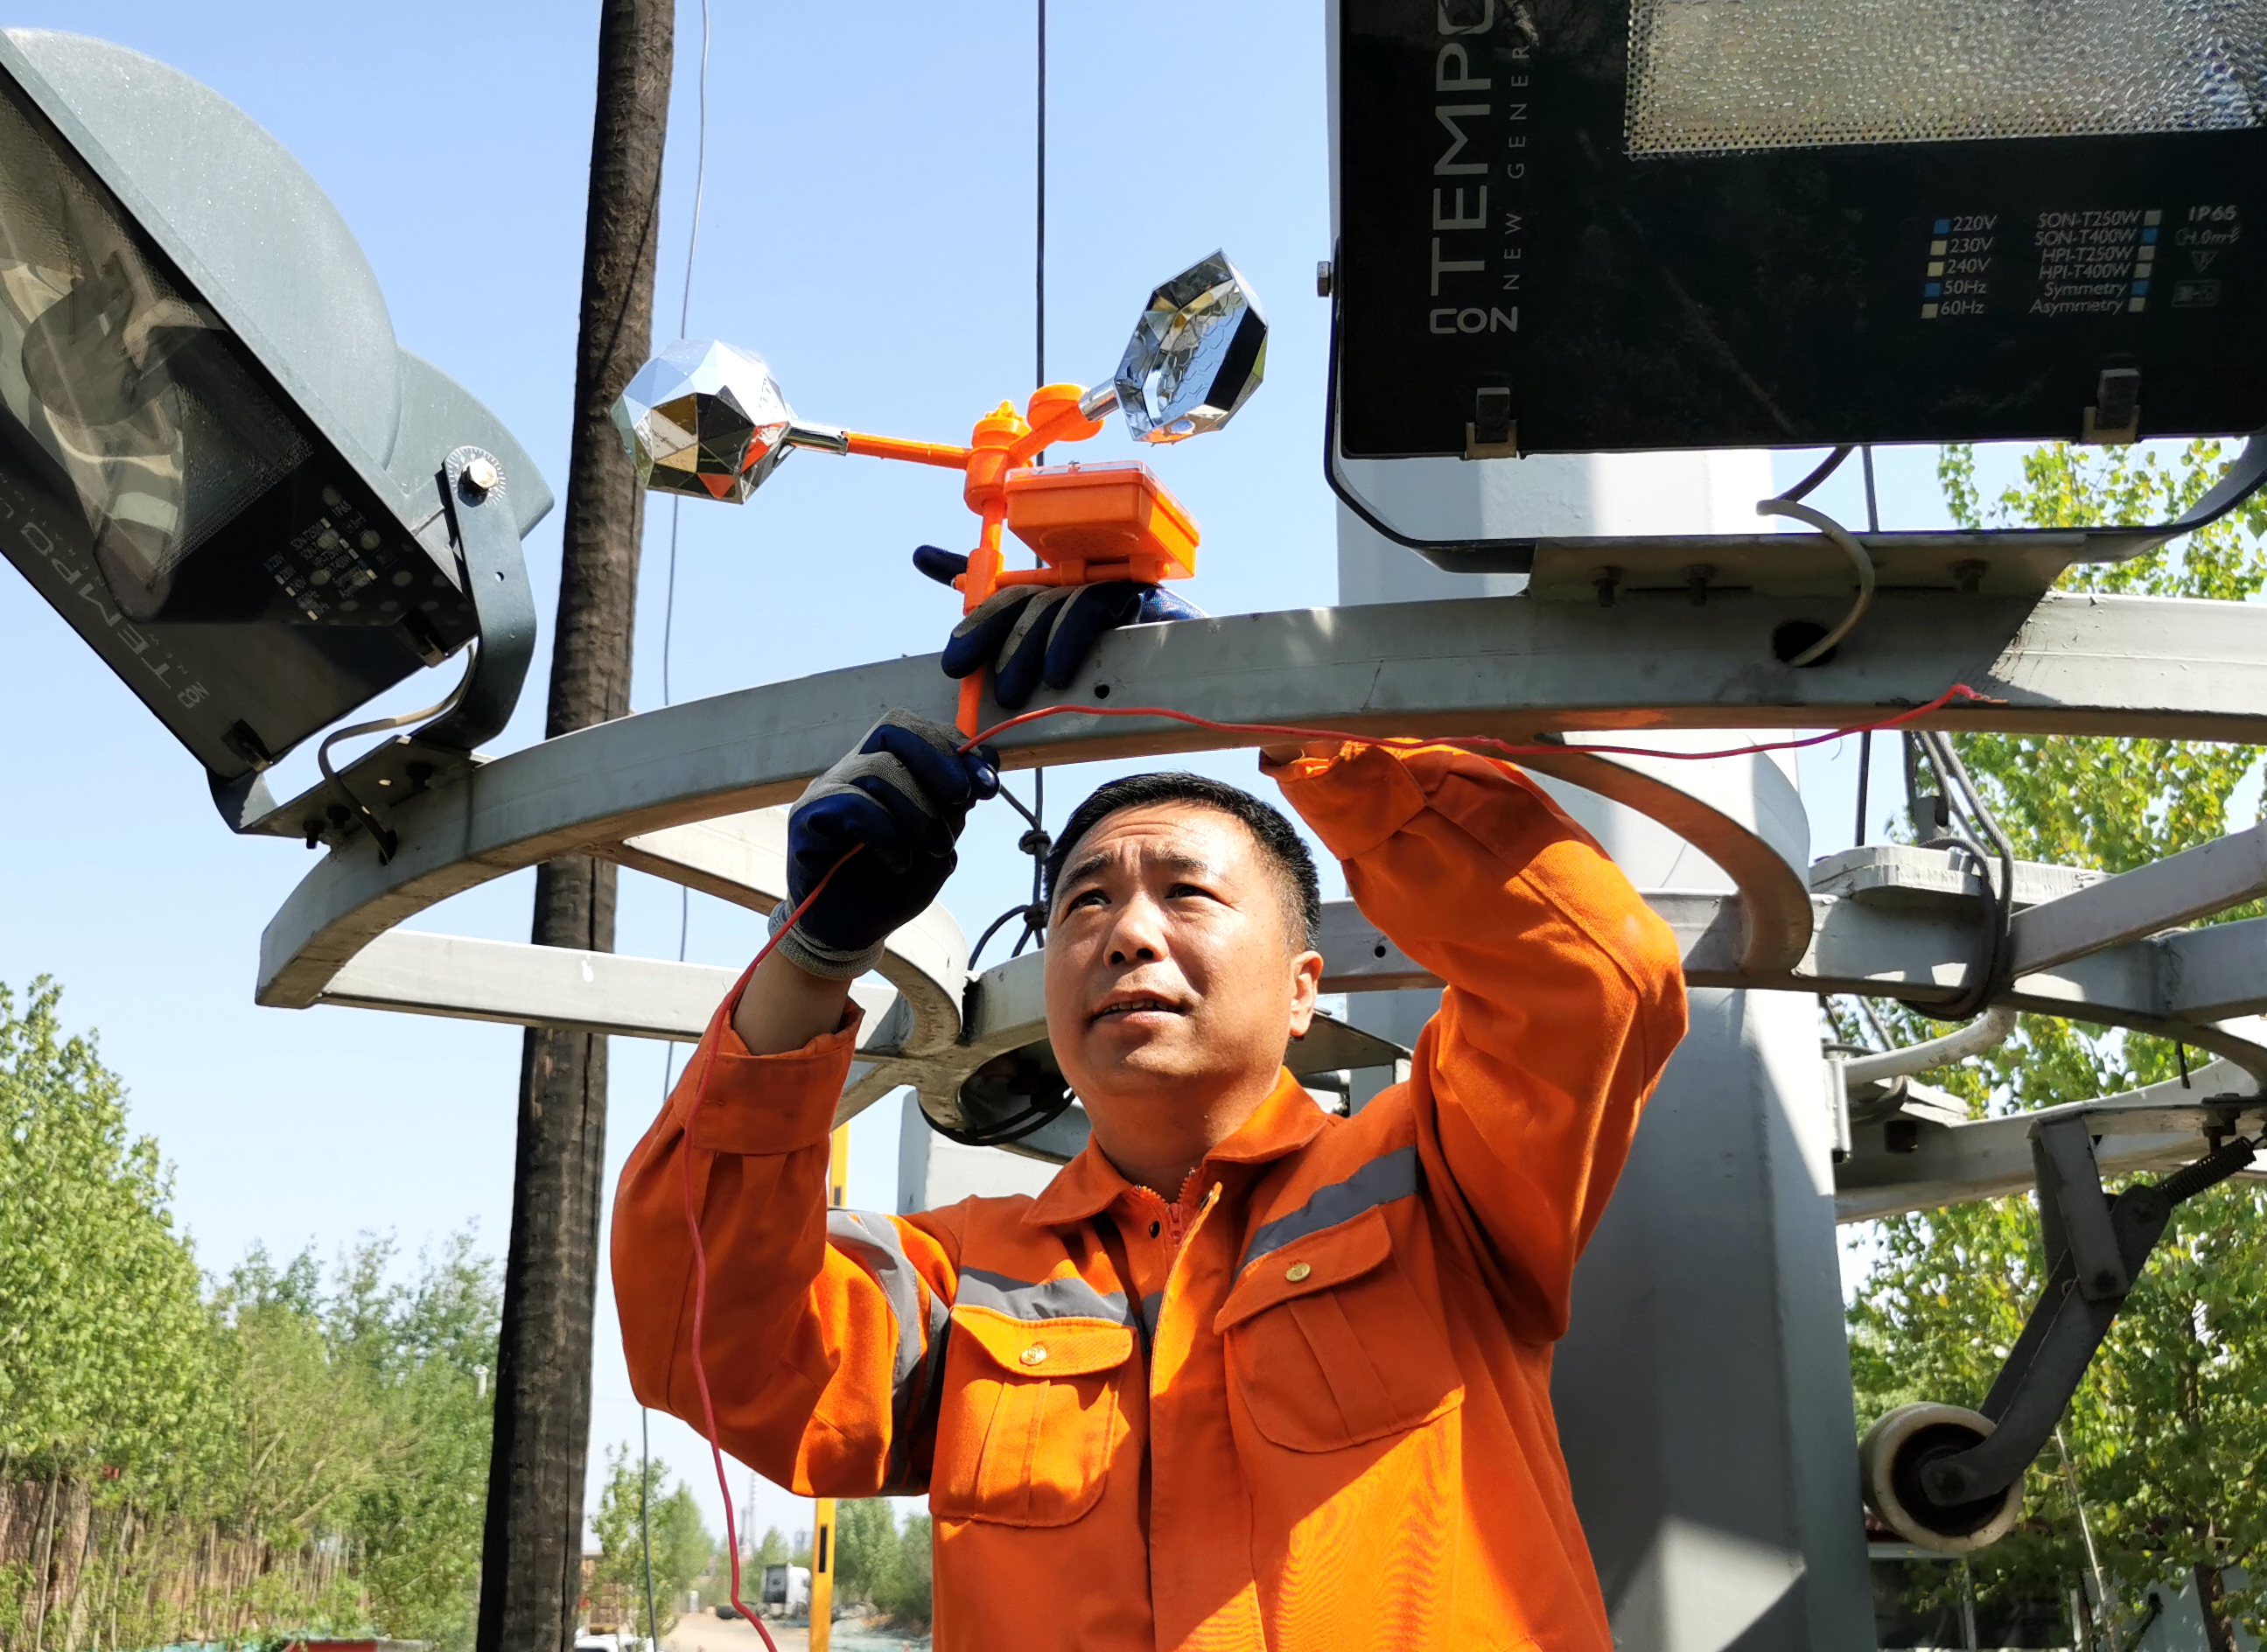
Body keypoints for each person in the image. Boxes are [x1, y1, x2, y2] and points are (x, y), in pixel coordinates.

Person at [612, 705, 1688, 1651]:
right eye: (1082, 904)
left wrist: (1289, 705)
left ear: (1302, 989)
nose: (1126, 932)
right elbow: (703, 1330)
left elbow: (1594, 974)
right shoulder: (961, 1279)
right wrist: (811, 958)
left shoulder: (1445, 1180)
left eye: (1186, 892)